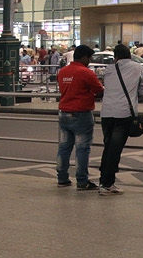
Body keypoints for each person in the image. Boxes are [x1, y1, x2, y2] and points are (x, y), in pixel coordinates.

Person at [97, 43, 143, 195]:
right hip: (123, 114)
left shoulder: (109, 69)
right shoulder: (138, 68)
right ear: (130, 56)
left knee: (108, 147)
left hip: (106, 113)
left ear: (115, 57)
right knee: (114, 150)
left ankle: (103, 181)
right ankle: (107, 184)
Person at [55, 44, 103, 190]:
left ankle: (62, 178)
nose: (89, 61)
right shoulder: (86, 73)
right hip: (81, 113)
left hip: (64, 113)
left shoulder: (63, 71)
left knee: (64, 147)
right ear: (84, 57)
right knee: (82, 149)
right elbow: (99, 91)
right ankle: (82, 181)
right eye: (89, 58)